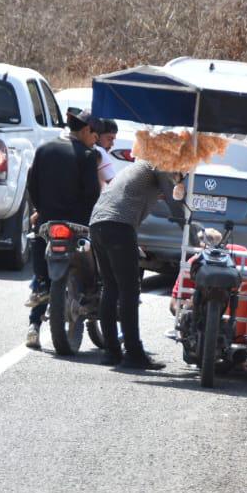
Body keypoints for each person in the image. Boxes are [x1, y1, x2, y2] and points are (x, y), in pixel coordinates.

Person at [89, 159, 186, 370]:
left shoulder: (140, 166)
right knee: (129, 291)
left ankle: (111, 352)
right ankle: (134, 354)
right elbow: (175, 203)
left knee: (111, 287)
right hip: (118, 224)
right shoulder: (160, 164)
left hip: (97, 223)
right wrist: (193, 234)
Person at [25, 109, 101, 349]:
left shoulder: (44, 149)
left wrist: (42, 210)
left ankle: (33, 327)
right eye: (95, 135)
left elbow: (32, 185)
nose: (95, 140)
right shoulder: (87, 155)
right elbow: (92, 194)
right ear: (86, 130)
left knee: (41, 277)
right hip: (78, 227)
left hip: (47, 224)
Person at [94, 118, 119, 188]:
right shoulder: (99, 151)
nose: (112, 144)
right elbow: (116, 186)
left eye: (113, 139)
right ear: (96, 135)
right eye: (109, 139)